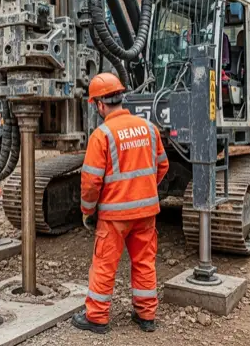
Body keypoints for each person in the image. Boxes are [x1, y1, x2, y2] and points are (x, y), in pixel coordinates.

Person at [71, 73, 169, 334]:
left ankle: (97, 317)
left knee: (104, 264)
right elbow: (162, 165)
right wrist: (143, 192)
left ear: (100, 104)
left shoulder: (101, 135)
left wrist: (88, 212)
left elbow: (91, 182)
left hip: (114, 216)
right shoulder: (149, 128)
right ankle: (146, 315)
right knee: (144, 262)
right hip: (146, 213)